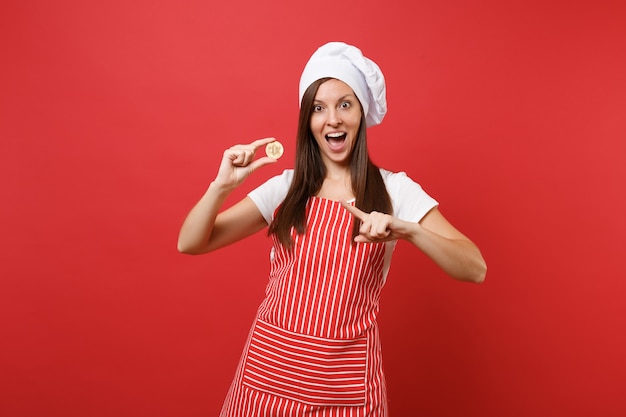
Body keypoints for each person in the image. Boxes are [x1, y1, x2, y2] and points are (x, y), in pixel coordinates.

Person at [178, 41, 486, 417]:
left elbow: (475, 268)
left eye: (345, 104)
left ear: (361, 112)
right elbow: (191, 242)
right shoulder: (286, 187)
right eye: (319, 108)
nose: (333, 119)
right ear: (308, 120)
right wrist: (221, 187)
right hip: (267, 378)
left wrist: (408, 231)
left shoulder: (393, 190)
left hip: (345, 387)